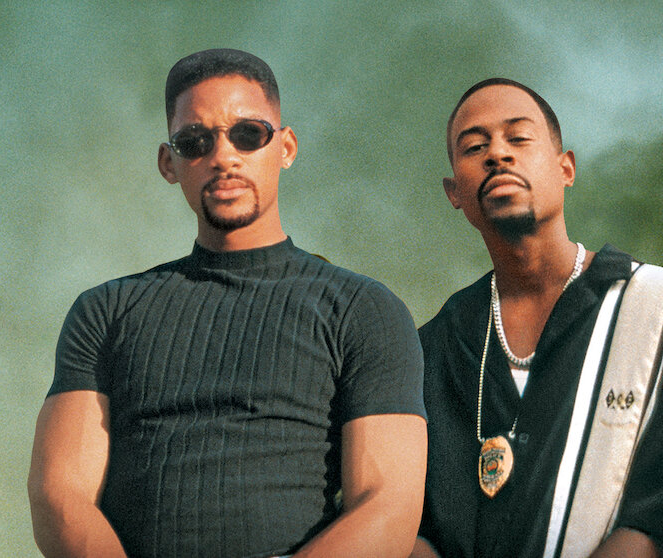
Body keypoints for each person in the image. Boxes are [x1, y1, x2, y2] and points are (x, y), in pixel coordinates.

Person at [28, 48, 427, 558]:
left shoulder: (363, 310)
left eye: (248, 134)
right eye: (195, 141)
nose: (223, 157)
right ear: (168, 163)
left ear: (286, 147)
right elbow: (59, 494)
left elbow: (388, 505)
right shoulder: (105, 312)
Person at [412, 78, 663, 558]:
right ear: (454, 192)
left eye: (518, 137)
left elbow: (652, 518)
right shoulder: (434, 349)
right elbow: (410, 523)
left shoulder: (651, 307)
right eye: (474, 147)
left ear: (566, 168)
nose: (497, 154)